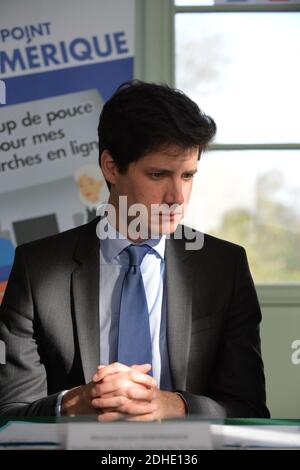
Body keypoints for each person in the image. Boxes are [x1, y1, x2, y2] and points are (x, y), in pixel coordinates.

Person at [0, 81, 269, 420]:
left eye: (188, 175)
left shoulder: (224, 268)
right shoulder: (37, 269)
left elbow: (249, 409)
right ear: (111, 167)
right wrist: (74, 403)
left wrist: (175, 405)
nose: (178, 197)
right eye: (159, 174)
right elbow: (10, 413)